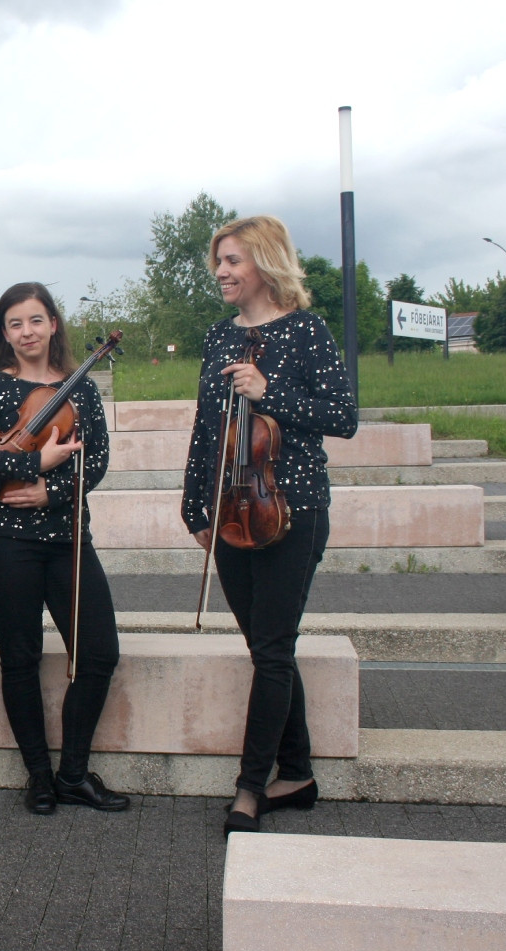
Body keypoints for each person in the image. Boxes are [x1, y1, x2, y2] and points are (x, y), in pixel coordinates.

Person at [179, 215, 358, 837]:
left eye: (233, 260)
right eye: (219, 261)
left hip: (292, 510)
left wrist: (268, 390)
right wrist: (195, 506)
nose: (221, 271)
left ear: (265, 262)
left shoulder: (306, 330)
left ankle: (250, 787)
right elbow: (207, 425)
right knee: (266, 649)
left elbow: (343, 416)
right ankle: (298, 774)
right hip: (231, 509)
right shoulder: (218, 337)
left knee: (274, 649)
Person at [0, 282, 130, 816]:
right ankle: (39, 776)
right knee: (20, 657)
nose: (26, 332)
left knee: (98, 653)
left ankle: (73, 773)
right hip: (2, 542)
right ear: (4, 334)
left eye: (35, 320)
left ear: (53, 324)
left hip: (67, 538)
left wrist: (52, 489)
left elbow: (96, 463)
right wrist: (35, 463)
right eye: (15, 324)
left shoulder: (84, 391)